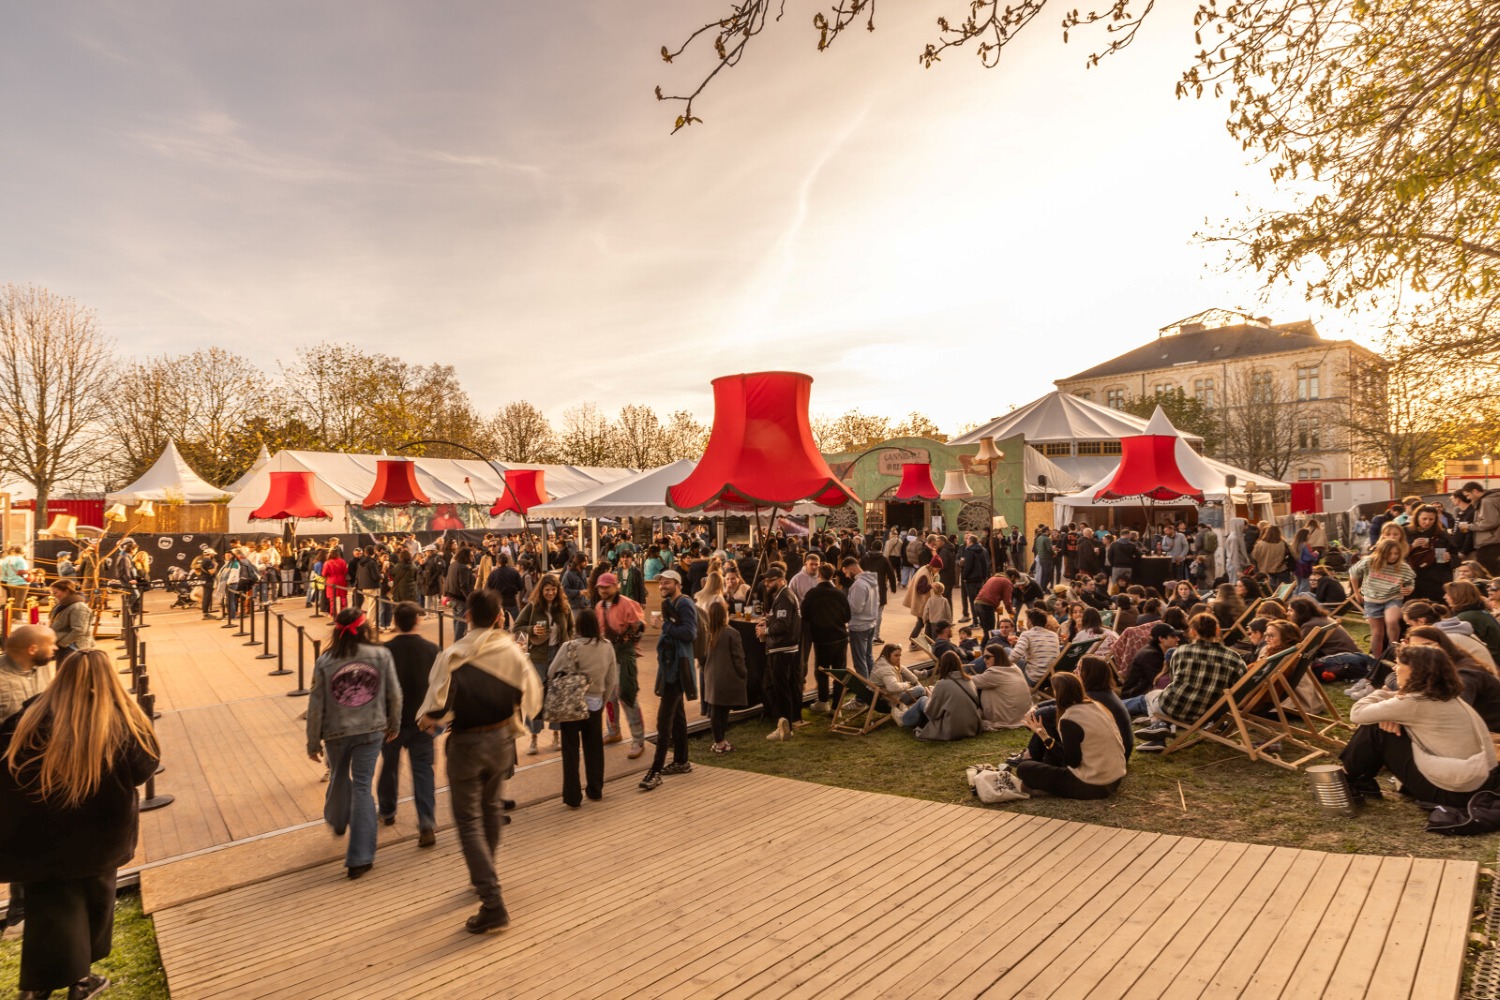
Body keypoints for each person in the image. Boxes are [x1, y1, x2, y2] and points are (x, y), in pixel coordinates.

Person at [0, 649, 159, 1000]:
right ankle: (77, 982)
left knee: (48, 910)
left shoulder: (28, 717)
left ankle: (38, 987)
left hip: (37, 839)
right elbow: (145, 768)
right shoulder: (121, 722)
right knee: (94, 907)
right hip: (99, 838)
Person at [417, 588, 541, 934]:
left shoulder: (453, 655)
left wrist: (426, 721)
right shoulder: (512, 652)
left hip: (468, 744)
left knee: (468, 819)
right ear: (500, 617)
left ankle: (492, 900)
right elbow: (529, 695)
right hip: (502, 740)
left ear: (466, 616)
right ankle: (485, 874)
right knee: (490, 809)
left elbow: (437, 710)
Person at [305, 609, 401, 879]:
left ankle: (336, 820)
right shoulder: (381, 655)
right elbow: (394, 693)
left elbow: (315, 704)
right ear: (365, 628)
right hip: (371, 730)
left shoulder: (325, 660)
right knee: (362, 787)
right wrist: (393, 724)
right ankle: (360, 857)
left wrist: (312, 741)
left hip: (335, 731)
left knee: (338, 776)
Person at [1341, 644, 1499, 806]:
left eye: (1400, 664)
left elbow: (1358, 713)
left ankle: (1346, 779)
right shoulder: (1445, 694)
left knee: (1375, 728)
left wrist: (1381, 692)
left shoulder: (1416, 702)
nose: (1395, 668)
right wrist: (1391, 710)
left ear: (1415, 670)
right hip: (1475, 783)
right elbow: (1404, 704)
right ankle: (1362, 779)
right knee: (1382, 721)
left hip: (1453, 791)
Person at [375, 602, 439, 847]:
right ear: (417, 620)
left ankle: (388, 810)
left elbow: (377, 688)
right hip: (422, 721)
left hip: (392, 723)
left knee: (389, 766)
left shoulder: (384, 651)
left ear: (395, 621)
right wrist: (435, 717)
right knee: (423, 771)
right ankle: (425, 821)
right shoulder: (431, 649)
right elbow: (440, 686)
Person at [1135, 614, 1246, 748]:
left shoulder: (1180, 652)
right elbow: (1240, 686)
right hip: (1210, 713)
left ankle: (1159, 730)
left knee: (1151, 695)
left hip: (1174, 707)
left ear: (1192, 632)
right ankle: (1159, 729)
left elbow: (1174, 679)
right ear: (1217, 631)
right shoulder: (1234, 658)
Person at [1012, 672, 1127, 799]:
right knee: (1050, 750)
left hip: (1092, 785)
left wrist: (1043, 735)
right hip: (1114, 779)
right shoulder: (1097, 706)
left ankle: (1045, 787)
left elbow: (1072, 762)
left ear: (1059, 693)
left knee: (1024, 768)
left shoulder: (1070, 719)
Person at [549, 609, 617, 808]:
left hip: (570, 704)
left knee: (570, 750)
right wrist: (602, 700)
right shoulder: (607, 646)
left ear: (578, 627)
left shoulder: (568, 647)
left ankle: (572, 796)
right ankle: (595, 790)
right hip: (595, 703)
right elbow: (611, 678)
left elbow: (552, 672)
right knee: (594, 748)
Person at [638, 570, 698, 790]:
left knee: (664, 721)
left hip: (677, 669)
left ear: (678, 584)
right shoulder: (670, 604)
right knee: (678, 715)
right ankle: (682, 761)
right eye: (660, 582)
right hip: (671, 666)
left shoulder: (684, 604)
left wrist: (663, 625)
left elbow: (690, 633)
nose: (662, 585)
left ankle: (655, 771)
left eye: (667, 582)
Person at [512, 574, 575, 756]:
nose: (550, 593)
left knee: (557, 695)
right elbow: (516, 628)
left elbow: (571, 627)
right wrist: (532, 629)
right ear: (541, 590)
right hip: (538, 657)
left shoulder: (563, 607)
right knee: (536, 696)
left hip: (559, 654)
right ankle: (534, 737)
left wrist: (568, 642)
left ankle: (556, 734)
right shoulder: (533, 607)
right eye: (547, 590)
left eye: (553, 589)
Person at [1404, 626, 1500, 731]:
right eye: (1415, 648)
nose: (1422, 653)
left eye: (1428, 646)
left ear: (1443, 646)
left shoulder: (1465, 673)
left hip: (1492, 734)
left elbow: (1453, 713)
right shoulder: (1444, 668)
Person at [1350, 538, 1415, 659]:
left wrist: (1409, 589)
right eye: (1389, 553)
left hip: (1393, 598)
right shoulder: (1369, 562)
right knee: (1377, 633)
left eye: (1396, 553)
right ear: (1382, 552)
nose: (1393, 556)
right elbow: (1353, 574)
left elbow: (1410, 582)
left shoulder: (1403, 566)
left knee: (1391, 621)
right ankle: (1377, 660)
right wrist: (1356, 593)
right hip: (1372, 600)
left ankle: (1393, 650)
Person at [758, 566, 802, 741]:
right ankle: (782, 723)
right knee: (771, 686)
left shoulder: (784, 596)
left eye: (770, 580)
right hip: (782, 648)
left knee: (780, 689)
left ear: (781, 580)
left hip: (782, 649)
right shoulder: (783, 595)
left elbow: (783, 625)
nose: (766, 584)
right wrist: (768, 620)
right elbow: (782, 619)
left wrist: (766, 631)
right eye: (766, 581)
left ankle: (785, 726)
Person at [800, 563, 851, 714]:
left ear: (819, 575)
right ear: (833, 576)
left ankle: (823, 701)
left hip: (822, 639)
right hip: (840, 636)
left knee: (821, 670)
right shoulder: (839, 593)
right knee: (839, 672)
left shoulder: (812, 594)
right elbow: (848, 616)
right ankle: (837, 707)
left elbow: (804, 615)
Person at [701, 602, 747, 754]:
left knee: (715, 709)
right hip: (727, 676)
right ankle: (720, 742)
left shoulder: (707, 632)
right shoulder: (731, 633)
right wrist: (743, 673)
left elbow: (701, 656)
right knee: (722, 710)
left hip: (710, 677)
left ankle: (718, 740)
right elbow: (738, 657)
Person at [913, 651, 982, 741]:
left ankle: (903, 718)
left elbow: (932, 713)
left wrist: (931, 696)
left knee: (923, 700)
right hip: (973, 726)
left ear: (943, 666)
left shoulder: (942, 684)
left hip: (952, 729)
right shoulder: (969, 681)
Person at [970, 645, 1030, 730]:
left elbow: (970, 681)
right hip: (1020, 716)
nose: (984, 660)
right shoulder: (1014, 668)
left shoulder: (995, 673)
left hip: (1006, 718)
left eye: (987, 657)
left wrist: (959, 672)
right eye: (983, 657)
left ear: (997, 657)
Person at [871, 644, 930, 727]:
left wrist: (915, 680)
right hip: (889, 701)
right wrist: (907, 685)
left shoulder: (881, 662)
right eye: (896, 655)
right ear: (888, 655)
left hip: (882, 697)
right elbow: (893, 687)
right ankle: (928, 708)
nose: (899, 658)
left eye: (899, 655)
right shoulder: (886, 669)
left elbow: (901, 668)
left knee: (921, 688)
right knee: (920, 690)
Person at [1445, 580, 1500, 661]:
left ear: (1459, 596)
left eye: (1448, 594)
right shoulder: (1479, 613)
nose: (1445, 597)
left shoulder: (1467, 617)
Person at [844, 556, 879, 680]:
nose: (847, 576)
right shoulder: (872, 581)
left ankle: (863, 695)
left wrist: (845, 605)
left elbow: (855, 608)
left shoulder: (858, 585)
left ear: (852, 569)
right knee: (868, 657)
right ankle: (873, 687)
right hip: (871, 624)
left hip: (859, 626)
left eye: (846, 572)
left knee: (860, 662)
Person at [1012, 608, 1061, 683]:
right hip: (1050, 677)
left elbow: (1016, 655)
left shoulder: (1026, 634)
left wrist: (1002, 665)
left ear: (1029, 622)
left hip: (1033, 678)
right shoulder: (1054, 635)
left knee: (1006, 650)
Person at [46, 580, 93, 654]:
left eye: (55, 593)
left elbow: (79, 630)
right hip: (63, 644)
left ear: (67, 591)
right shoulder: (61, 605)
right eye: (52, 593)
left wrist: (62, 643)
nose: (53, 595)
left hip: (74, 647)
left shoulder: (79, 607)